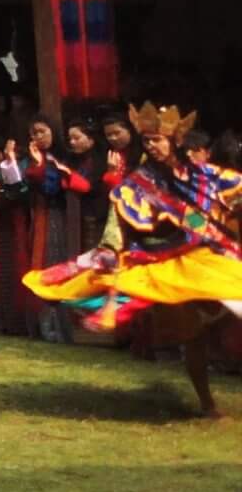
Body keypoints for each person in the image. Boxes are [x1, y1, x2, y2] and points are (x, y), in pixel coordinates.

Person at [25, 103, 242, 416]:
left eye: (158, 139)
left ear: (174, 141)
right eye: (148, 140)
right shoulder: (141, 181)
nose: (152, 145)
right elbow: (119, 214)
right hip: (165, 259)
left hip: (210, 254)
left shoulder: (203, 173)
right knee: (192, 336)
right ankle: (207, 403)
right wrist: (110, 248)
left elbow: (233, 193)